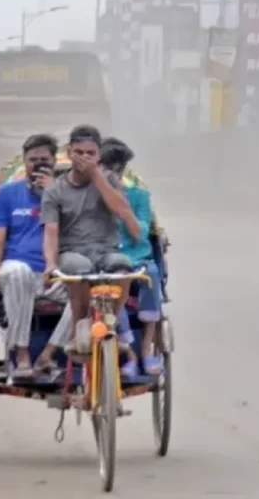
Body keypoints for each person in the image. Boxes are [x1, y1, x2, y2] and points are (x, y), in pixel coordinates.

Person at [40, 125, 141, 355]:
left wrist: (97, 176)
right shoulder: (55, 191)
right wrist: (50, 264)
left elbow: (122, 211)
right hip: (72, 251)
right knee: (79, 270)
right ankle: (78, 332)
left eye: (91, 153)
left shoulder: (110, 180)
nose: (85, 158)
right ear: (69, 152)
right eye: (79, 152)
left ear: (98, 155)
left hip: (106, 250)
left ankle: (112, 323)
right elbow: (51, 232)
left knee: (123, 267)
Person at [0, 134, 69, 378]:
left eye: (44, 160)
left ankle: (48, 353)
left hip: (55, 276)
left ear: (54, 162)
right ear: (24, 162)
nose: (38, 164)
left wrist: (53, 194)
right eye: (32, 160)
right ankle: (22, 354)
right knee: (19, 274)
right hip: (17, 271)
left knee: (90, 291)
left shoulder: (67, 193)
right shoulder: (7, 195)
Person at [100, 137, 167, 375]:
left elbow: (140, 233)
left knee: (151, 274)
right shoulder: (88, 195)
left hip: (137, 257)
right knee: (115, 278)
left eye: (119, 167)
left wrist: (121, 202)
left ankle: (147, 349)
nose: (114, 172)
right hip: (104, 259)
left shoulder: (139, 196)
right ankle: (128, 351)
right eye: (108, 167)